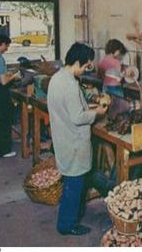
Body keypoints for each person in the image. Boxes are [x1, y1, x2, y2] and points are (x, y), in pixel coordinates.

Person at [47, 42, 107, 236]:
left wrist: (87, 106)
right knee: (74, 186)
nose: (86, 69)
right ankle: (67, 225)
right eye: (86, 65)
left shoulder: (57, 78)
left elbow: (68, 109)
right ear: (78, 62)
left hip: (63, 137)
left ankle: (67, 219)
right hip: (73, 141)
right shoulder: (71, 84)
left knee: (71, 182)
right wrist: (96, 112)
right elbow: (78, 117)